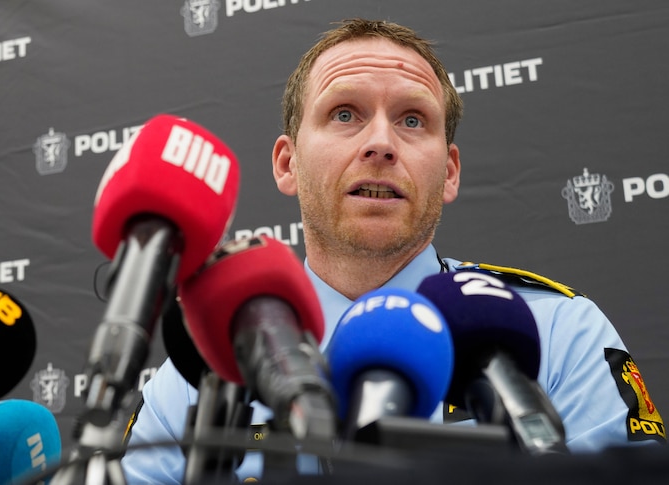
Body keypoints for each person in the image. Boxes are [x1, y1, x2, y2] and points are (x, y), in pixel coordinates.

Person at [120, 18, 665, 483]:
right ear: (287, 163)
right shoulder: (196, 375)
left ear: (449, 172)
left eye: (412, 120)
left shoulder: (559, 332)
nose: (380, 143)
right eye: (344, 114)